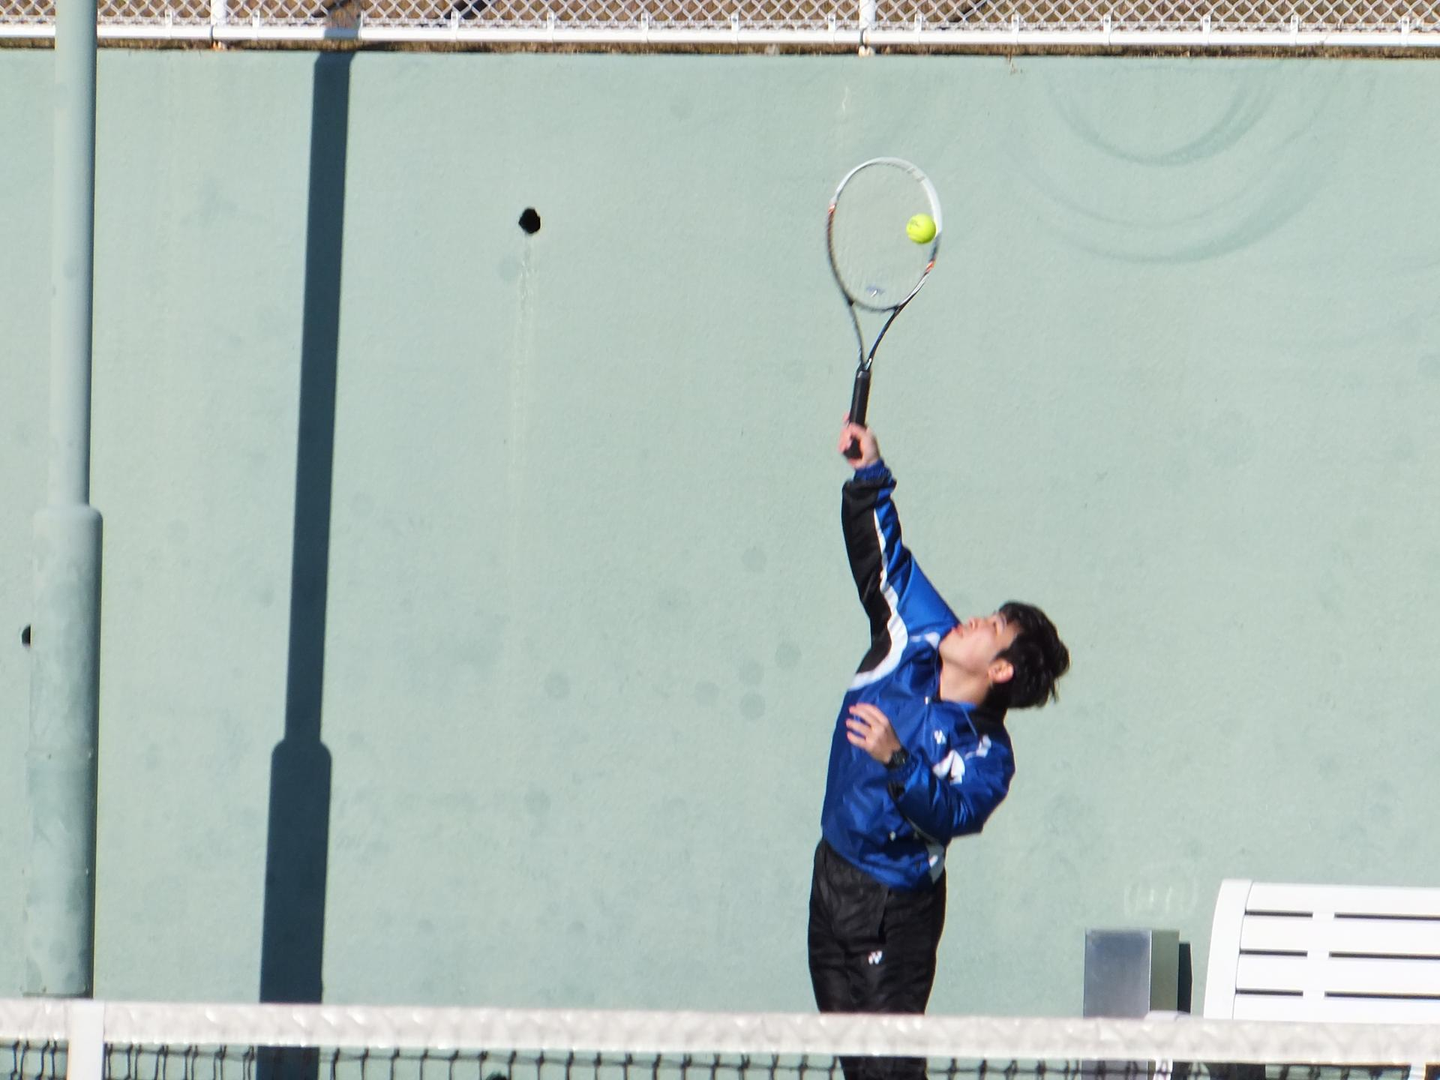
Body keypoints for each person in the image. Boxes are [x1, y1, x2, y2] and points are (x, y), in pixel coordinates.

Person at [808, 421, 1071, 1078]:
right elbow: (884, 557)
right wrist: (868, 473)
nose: (975, 620)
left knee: (890, 1073)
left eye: (994, 628)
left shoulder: (989, 757)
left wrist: (897, 760)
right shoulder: (918, 634)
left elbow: (954, 813)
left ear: (1000, 670)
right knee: (855, 1067)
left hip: (895, 912)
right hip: (831, 878)